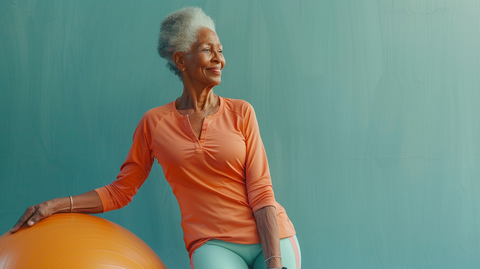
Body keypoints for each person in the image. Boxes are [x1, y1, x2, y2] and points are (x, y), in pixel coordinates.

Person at [10, 7, 300, 269]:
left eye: (221, 50)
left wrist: (274, 263)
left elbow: (262, 192)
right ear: (180, 59)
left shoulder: (242, 112)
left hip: (272, 237)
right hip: (213, 243)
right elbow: (121, 191)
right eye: (207, 49)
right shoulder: (155, 123)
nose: (219, 59)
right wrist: (53, 206)